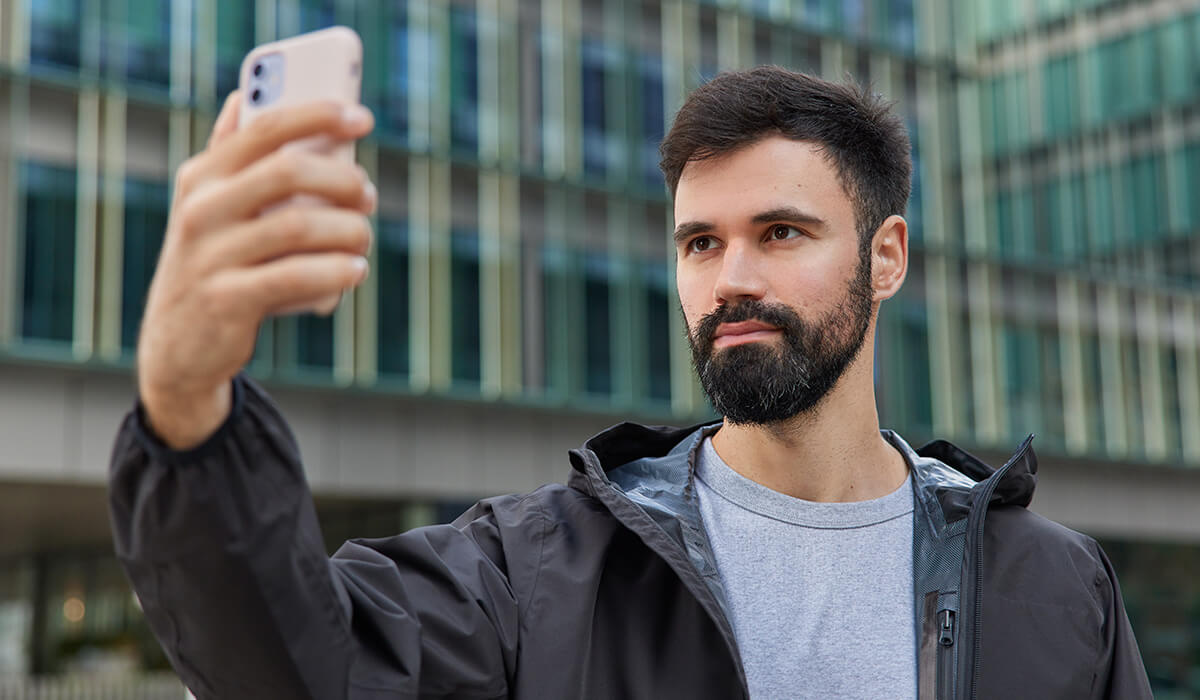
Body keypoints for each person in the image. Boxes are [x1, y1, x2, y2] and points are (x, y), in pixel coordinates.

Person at [109, 67, 1151, 699]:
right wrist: (188, 410)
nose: (731, 278)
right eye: (700, 242)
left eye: (780, 232)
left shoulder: (1058, 585)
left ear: (887, 255)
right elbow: (301, 672)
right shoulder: (538, 570)